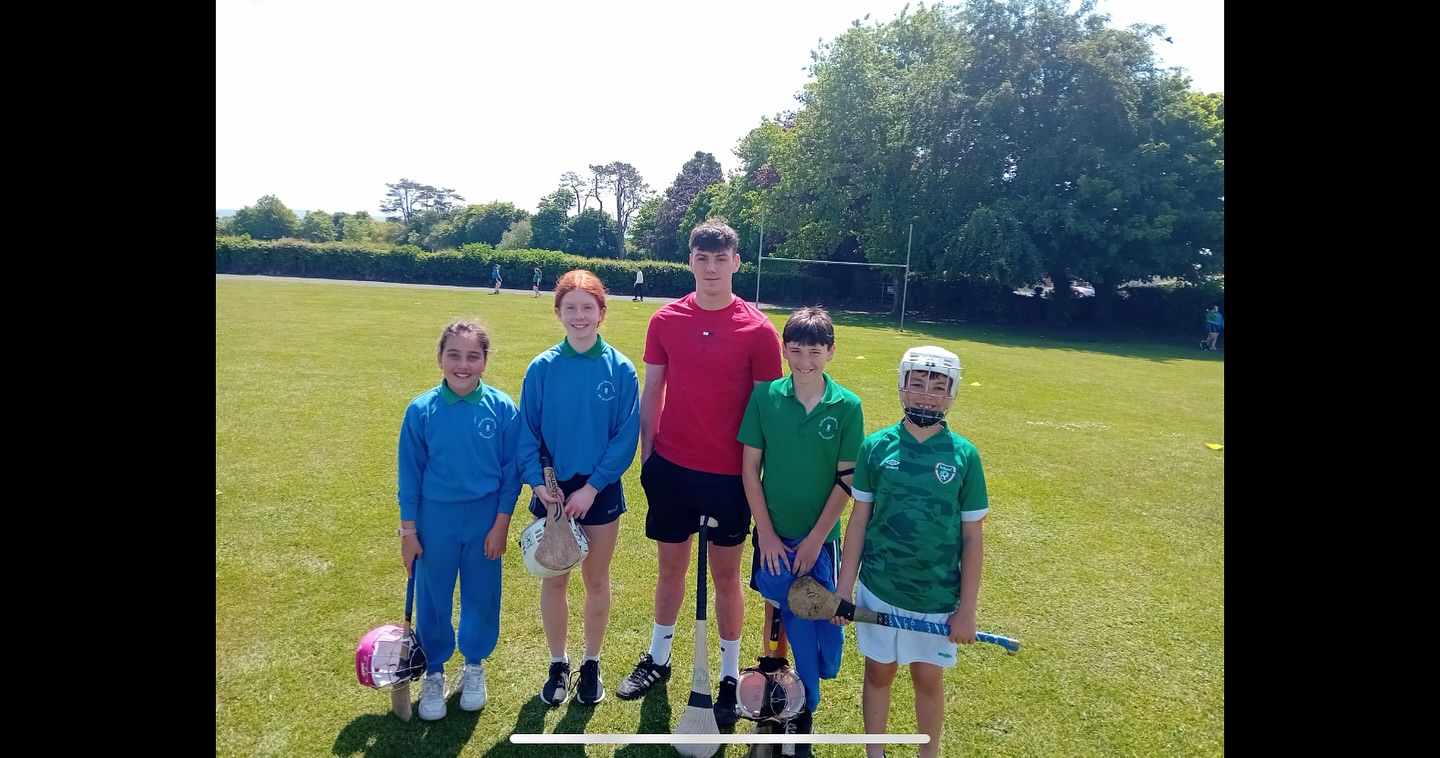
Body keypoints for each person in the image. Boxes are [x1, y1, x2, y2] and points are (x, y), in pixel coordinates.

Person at [619, 219, 783, 728]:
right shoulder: (665, 320)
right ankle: (659, 657)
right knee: (670, 568)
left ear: (736, 262)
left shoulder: (758, 329)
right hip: (671, 468)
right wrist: (649, 458)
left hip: (730, 477)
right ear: (690, 261)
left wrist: (755, 475)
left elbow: (766, 414)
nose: (711, 268)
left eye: (721, 259)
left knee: (726, 577)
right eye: (702, 258)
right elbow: (653, 394)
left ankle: (730, 675)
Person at [834, 345, 989, 758]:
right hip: (879, 588)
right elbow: (859, 521)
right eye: (917, 384)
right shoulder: (876, 447)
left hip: (936, 596)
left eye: (938, 387)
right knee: (878, 674)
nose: (926, 395)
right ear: (902, 387)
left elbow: (973, 537)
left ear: (952, 393)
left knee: (927, 679)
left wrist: (967, 610)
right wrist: (844, 588)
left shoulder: (964, 456)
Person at [737, 306, 864, 750]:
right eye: (795, 351)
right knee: (782, 615)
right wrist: (767, 534)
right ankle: (793, 711)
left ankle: (801, 697)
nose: (804, 360)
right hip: (773, 537)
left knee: (821, 634)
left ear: (830, 351)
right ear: (784, 350)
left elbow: (846, 481)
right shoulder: (766, 397)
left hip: (819, 543)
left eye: (814, 351)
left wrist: (814, 540)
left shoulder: (848, 406)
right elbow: (750, 470)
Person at [518, 270, 641, 707]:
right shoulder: (542, 367)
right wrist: (537, 482)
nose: (579, 316)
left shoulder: (621, 369)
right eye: (570, 307)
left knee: (596, 578)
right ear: (558, 313)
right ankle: (558, 662)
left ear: (602, 312)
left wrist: (592, 487)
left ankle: (591, 662)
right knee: (554, 581)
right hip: (551, 491)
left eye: (587, 307)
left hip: (599, 490)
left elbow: (626, 437)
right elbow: (526, 433)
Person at [397, 319, 523, 721]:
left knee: (482, 594)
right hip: (436, 520)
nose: (463, 365)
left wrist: (501, 524)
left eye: (473, 356)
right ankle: (434, 670)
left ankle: (473, 667)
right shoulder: (421, 410)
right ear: (440, 358)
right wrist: (408, 531)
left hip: (486, 516)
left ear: (485, 361)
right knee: (433, 596)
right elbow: (409, 475)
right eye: (454, 355)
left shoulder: (502, 408)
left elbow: (511, 473)